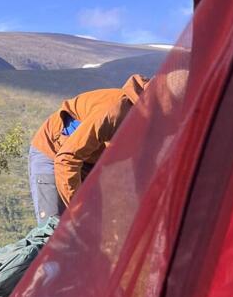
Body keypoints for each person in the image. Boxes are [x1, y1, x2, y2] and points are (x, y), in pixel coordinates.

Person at [28, 74, 149, 224]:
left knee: (96, 228)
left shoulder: (158, 123)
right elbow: (67, 159)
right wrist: (79, 212)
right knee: (54, 229)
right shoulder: (114, 111)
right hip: (54, 153)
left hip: (90, 162)